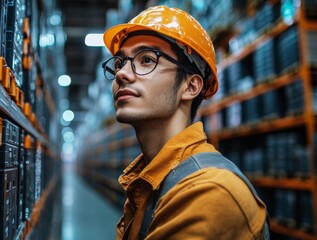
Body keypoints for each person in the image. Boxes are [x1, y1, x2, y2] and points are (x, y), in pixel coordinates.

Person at [101, 5, 268, 240]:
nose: (122, 74)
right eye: (120, 63)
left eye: (146, 59)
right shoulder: (147, 183)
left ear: (191, 86)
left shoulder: (209, 192)